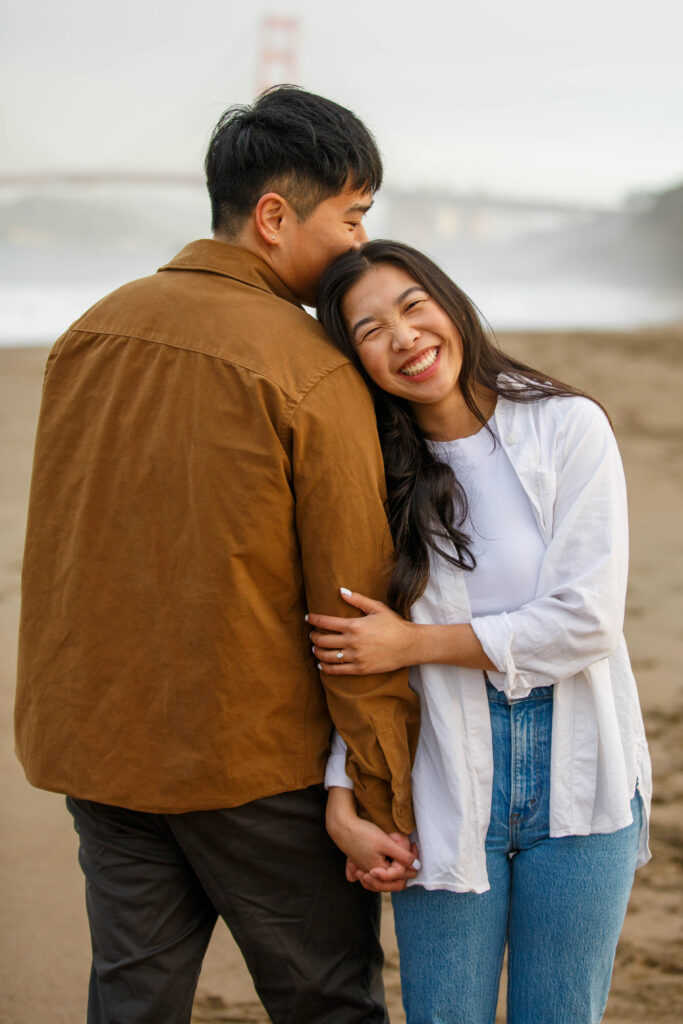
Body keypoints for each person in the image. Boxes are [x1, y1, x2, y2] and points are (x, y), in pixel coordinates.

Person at [14, 90, 421, 1024]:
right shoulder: (310, 364)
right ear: (274, 217)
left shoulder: (90, 330)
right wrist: (374, 791)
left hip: (100, 748)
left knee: (132, 999)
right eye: (352, 217)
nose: (359, 243)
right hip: (252, 764)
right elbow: (352, 605)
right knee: (326, 1000)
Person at [307, 240, 652, 1024]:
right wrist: (341, 794)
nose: (402, 338)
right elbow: (357, 649)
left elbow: (586, 621)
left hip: (581, 768)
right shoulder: (371, 470)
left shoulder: (567, 426)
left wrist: (417, 643)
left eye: (411, 306)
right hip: (436, 775)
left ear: (448, 302)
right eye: (367, 330)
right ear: (353, 359)